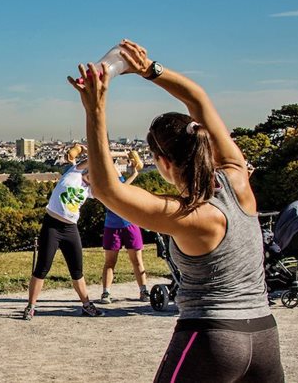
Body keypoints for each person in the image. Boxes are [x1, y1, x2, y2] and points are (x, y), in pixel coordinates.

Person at [70, 40, 283, 382]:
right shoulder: (238, 180)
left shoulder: (190, 216)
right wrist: (151, 69)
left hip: (213, 336)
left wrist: (95, 109)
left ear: (163, 163)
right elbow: (198, 99)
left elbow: (108, 188)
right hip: (264, 336)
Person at [21, 144, 104, 320]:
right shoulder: (73, 172)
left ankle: (87, 305)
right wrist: (86, 150)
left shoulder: (90, 191)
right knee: (42, 267)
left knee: (77, 270)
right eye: (90, 171)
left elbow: (107, 189)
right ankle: (31, 306)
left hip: (70, 229)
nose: (91, 175)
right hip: (52, 226)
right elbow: (94, 159)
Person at [97, 152, 147, 304]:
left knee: (137, 260)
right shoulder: (103, 181)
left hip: (130, 223)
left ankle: (143, 290)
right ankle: (106, 292)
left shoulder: (117, 177)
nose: (116, 167)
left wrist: (130, 162)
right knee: (110, 262)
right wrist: (134, 175)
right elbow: (117, 193)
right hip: (113, 226)